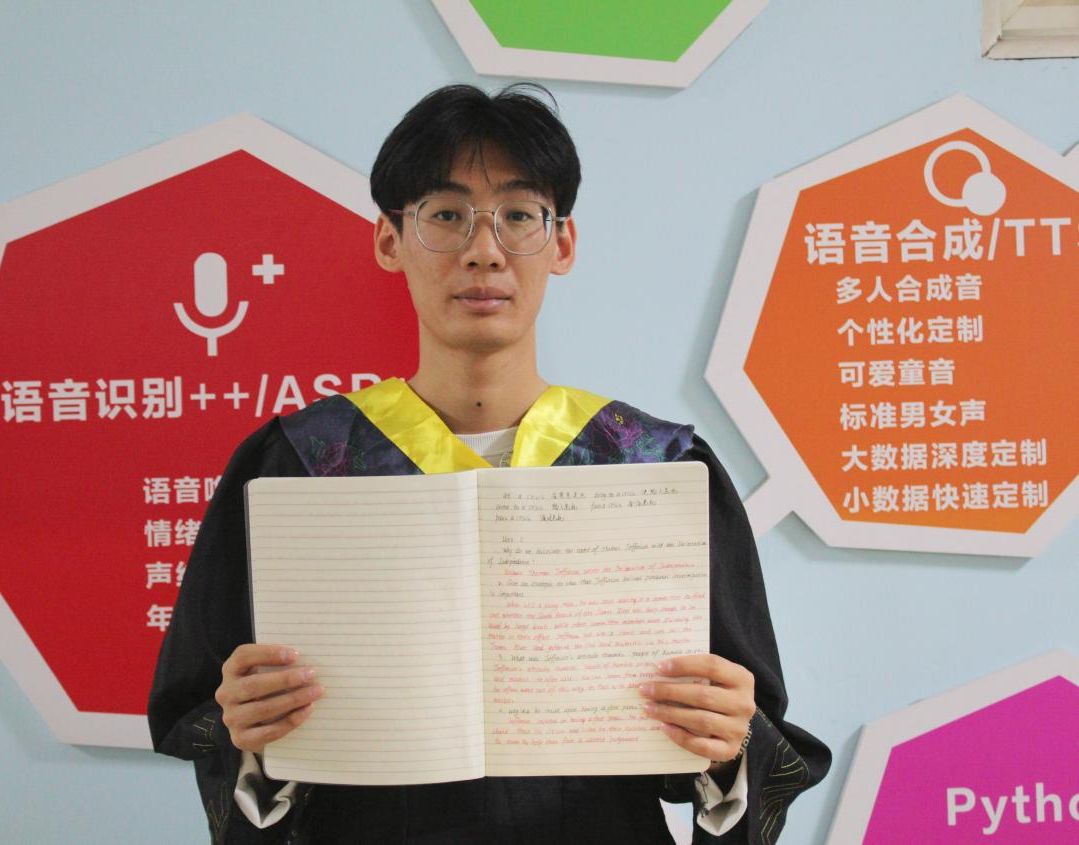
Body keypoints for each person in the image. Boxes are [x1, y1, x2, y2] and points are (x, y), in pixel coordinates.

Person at [149, 83, 830, 844]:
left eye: (519, 215)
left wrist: (728, 742)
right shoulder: (297, 466)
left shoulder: (655, 470)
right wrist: (247, 732)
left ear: (561, 244)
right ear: (388, 240)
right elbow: (201, 711)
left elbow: (752, 736)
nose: (484, 249)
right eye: (446, 215)